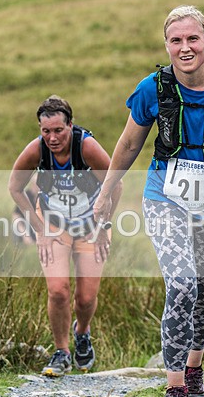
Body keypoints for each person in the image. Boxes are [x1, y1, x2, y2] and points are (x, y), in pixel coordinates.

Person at [93, 6, 204, 397]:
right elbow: (129, 145)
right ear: (167, 45)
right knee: (183, 283)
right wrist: (105, 193)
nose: (185, 48)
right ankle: (173, 388)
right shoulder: (153, 88)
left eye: (192, 39)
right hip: (164, 197)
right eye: (176, 40)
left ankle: (193, 371)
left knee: (203, 290)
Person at [9, 95, 122, 377]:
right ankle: (61, 352)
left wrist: (103, 227)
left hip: (90, 225)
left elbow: (115, 186)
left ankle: (82, 332)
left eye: (58, 130)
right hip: (54, 224)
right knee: (58, 290)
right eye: (45, 131)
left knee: (85, 298)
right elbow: (15, 187)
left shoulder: (87, 148)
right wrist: (39, 229)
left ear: (70, 125)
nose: (52, 137)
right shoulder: (36, 150)